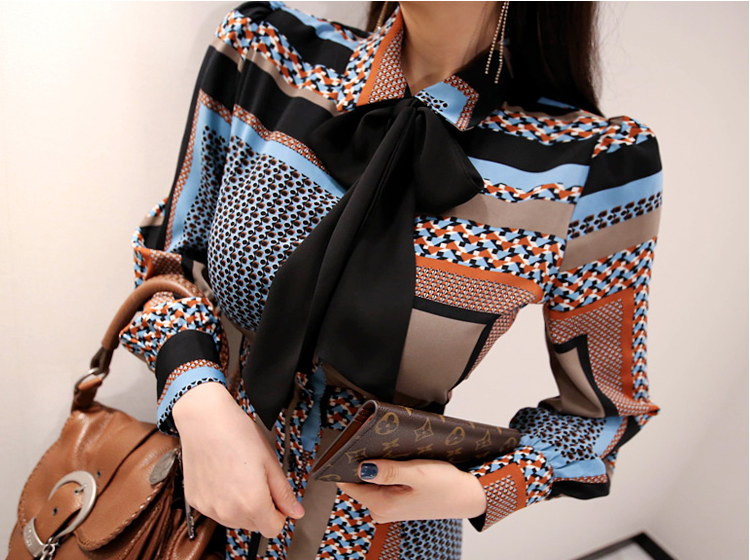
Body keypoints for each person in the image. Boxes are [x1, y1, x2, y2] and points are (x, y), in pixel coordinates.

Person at [119, 1, 663, 558]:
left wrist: (478, 489)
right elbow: (168, 261)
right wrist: (198, 397)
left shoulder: (591, 167)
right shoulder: (269, 51)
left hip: (383, 538)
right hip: (192, 508)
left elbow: (604, 415)